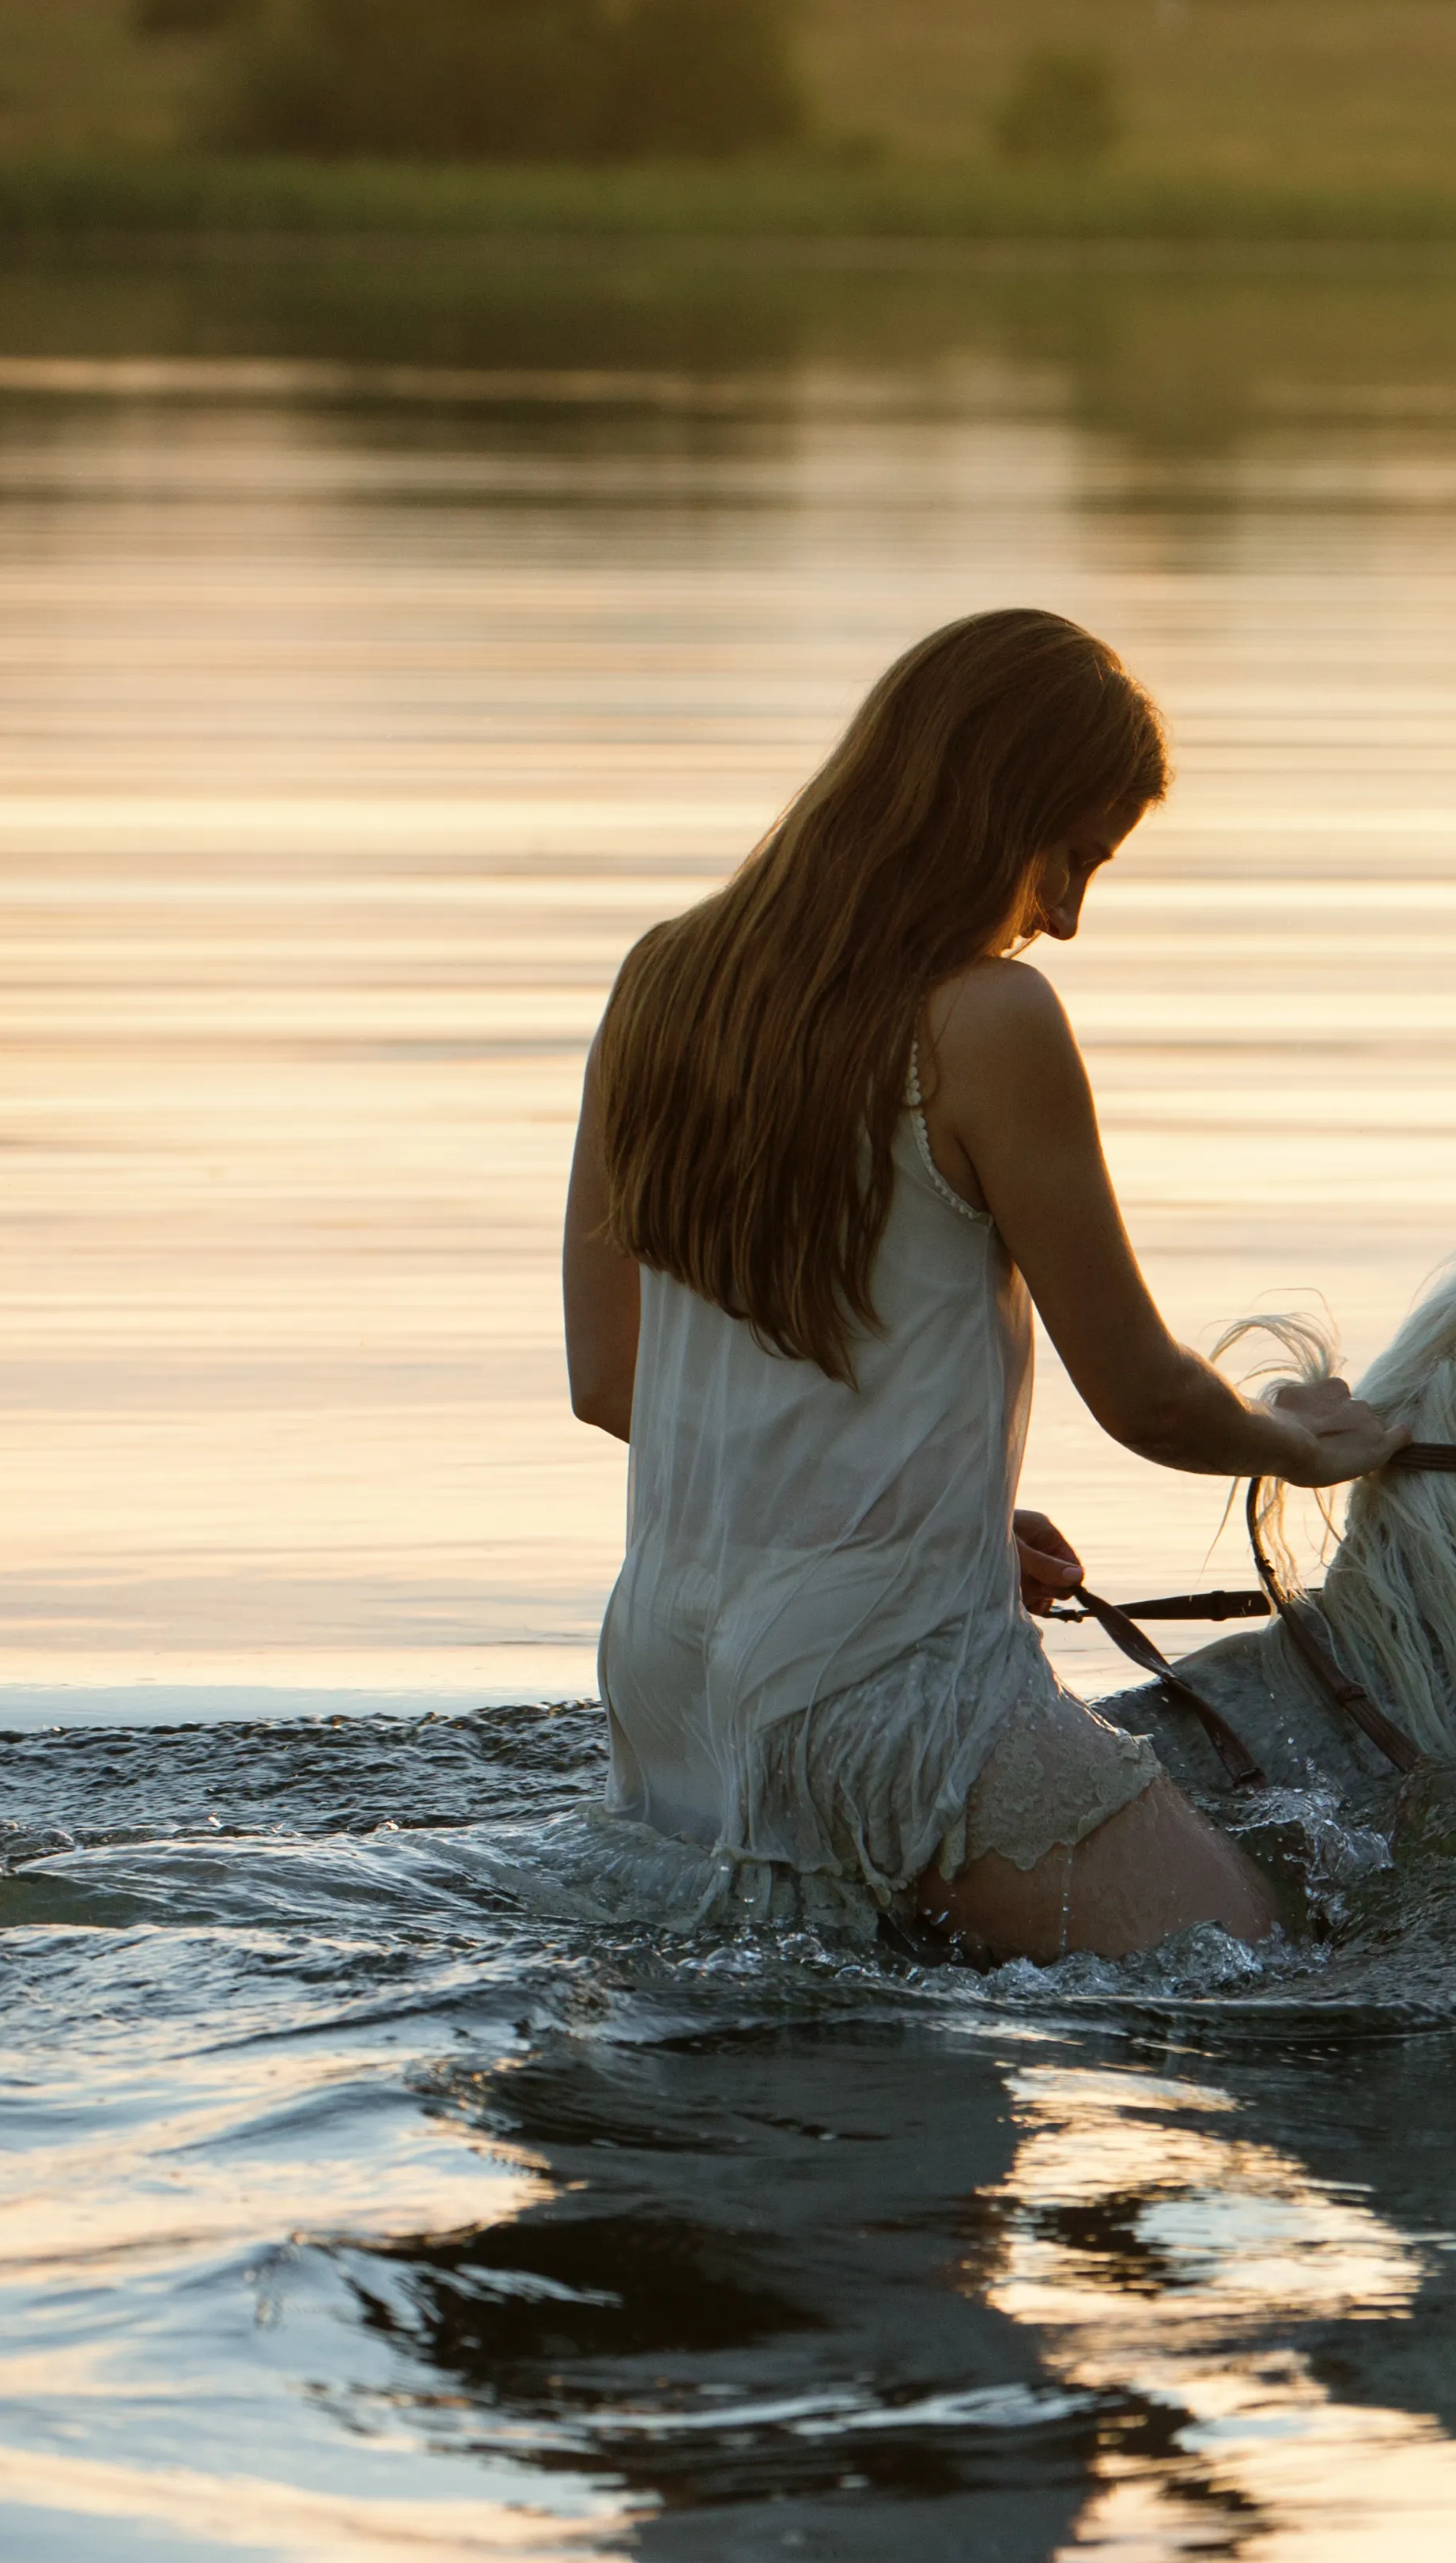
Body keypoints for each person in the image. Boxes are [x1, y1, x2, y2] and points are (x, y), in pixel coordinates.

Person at [558, 608, 1403, 1963]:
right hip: (894, 1691)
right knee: (1284, 1991)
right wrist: (1301, 1446)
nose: (1065, 918)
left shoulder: (663, 982)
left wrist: (927, 1507)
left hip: (666, 1672)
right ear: (983, 809)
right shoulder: (985, 1022)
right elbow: (1142, 1397)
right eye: (1070, 858)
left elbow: (613, 1380)